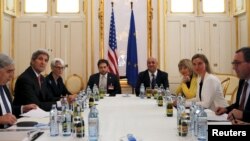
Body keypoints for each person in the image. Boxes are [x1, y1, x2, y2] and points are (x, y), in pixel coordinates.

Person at [0, 53, 37, 128]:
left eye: (13, 71)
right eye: (8, 71)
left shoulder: (4, 86)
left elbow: (7, 109)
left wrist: (22, 108)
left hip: (9, 131)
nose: (12, 76)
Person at [216, 47, 250, 122]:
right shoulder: (242, 81)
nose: (234, 67)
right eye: (233, 63)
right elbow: (238, 104)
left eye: (237, 63)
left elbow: (242, 113)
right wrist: (226, 109)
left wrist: (243, 115)